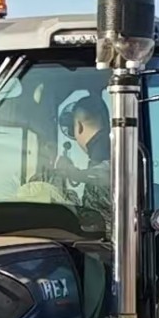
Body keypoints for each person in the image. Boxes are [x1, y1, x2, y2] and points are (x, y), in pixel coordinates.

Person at [56, 94, 112, 229]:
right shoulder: (122, 150)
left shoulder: (107, 160)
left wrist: (70, 171)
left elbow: (104, 175)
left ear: (79, 127)